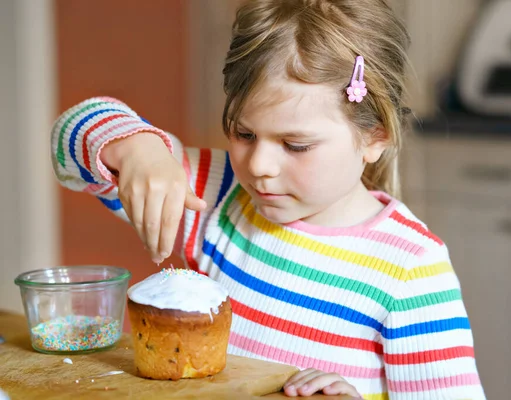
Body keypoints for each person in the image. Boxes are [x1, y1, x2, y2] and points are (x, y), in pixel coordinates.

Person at [51, 0, 485, 398]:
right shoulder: (218, 195)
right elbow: (67, 144)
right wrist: (136, 148)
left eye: (295, 145)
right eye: (244, 134)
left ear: (375, 137)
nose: (259, 165)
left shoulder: (411, 267)